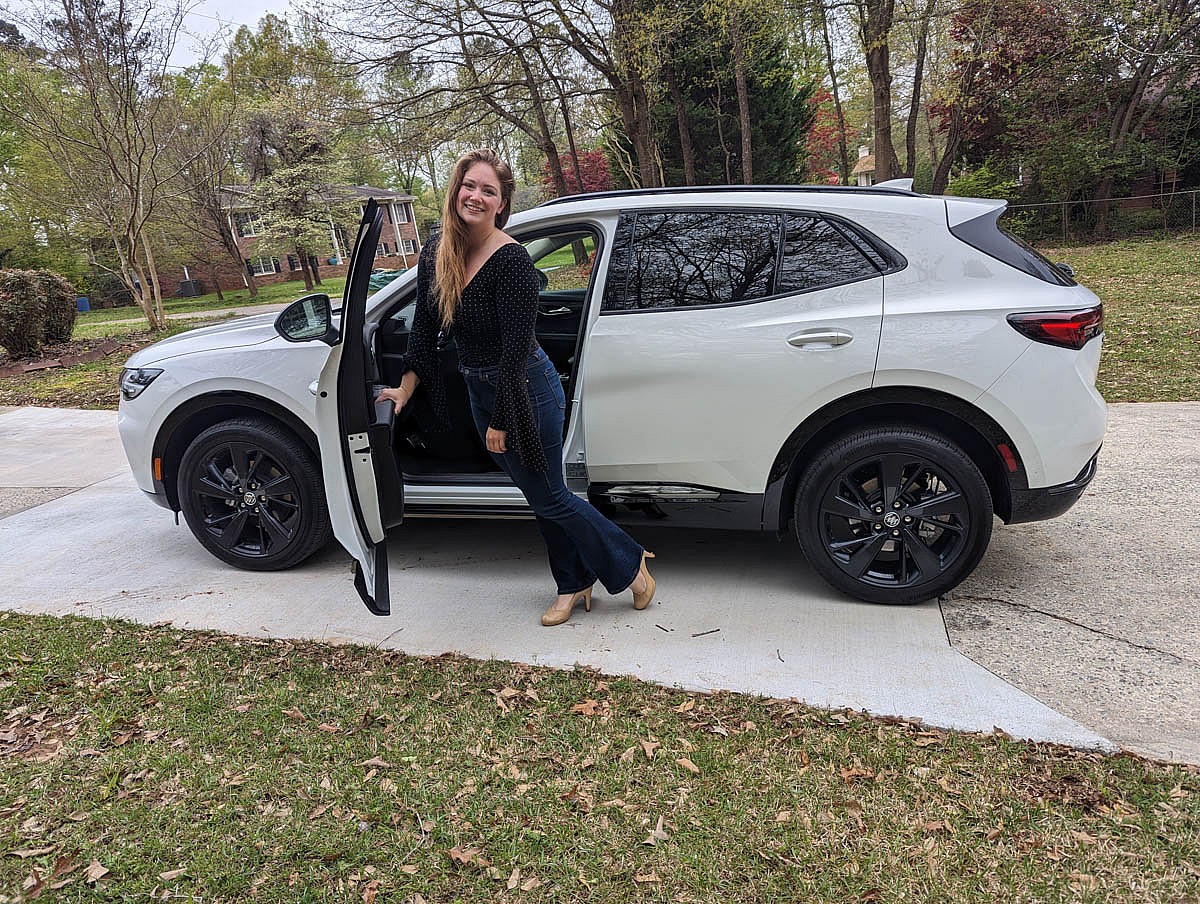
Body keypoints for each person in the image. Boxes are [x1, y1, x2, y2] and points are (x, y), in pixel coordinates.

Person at [375, 148, 656, 627]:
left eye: (489, 191)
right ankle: (573, 582)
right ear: (455, 189)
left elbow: (514, 349)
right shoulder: (437, 251)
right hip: (480, 387)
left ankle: (630, 565)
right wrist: (404, 389)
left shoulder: (511, 262)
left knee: (548, 495)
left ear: (502, 204)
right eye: (471, 186)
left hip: (526, 389)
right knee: (541, 493)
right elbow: (423, 327)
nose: (477, 197)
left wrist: (503, 420)